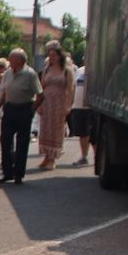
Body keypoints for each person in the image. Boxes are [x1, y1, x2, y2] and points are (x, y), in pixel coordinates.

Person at [0, 48, 43, 184]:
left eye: (12, 58)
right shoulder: (7, 74)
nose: (9, 61)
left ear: (20, 61)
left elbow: (40, 95)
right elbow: (4, 92)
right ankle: (7, 172)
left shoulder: (30, 74)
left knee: (22, 143)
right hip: (10, 108)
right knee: (5, 141)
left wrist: (31, 110)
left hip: (24, 108)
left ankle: (18, 174)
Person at [36, 41, 74, 171]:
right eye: (50, 55)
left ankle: (52, 158)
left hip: (59, 102)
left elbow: (70, 89)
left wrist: (68, 106)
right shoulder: (46, 70)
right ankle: (46, 156)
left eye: (54, 55)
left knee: (56, 130)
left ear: (59, 56)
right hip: (47, 102)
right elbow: (41, 87)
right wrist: (39, 105)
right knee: (45, 129)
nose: (51, 57)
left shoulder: (67, 71)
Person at [69, 62, 94, 167]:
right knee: (82, 134)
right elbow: (73, 87)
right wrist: (70, 103)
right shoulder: (79, 70)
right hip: (78, 107)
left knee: (93, 135)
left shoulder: (96, 70)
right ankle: (84, 157)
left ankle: (96, 158)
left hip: (91, 108)